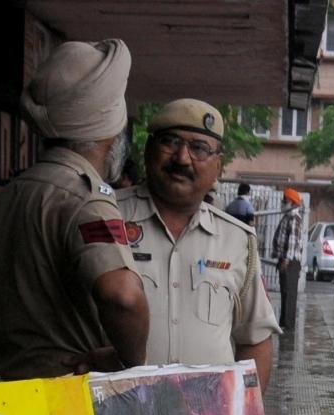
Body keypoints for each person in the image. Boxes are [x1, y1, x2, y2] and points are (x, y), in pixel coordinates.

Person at [0, 40, 149, 381]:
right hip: (68, 389)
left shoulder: (5, 198)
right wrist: (129, 360)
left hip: (11, 388)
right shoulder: (86, 198)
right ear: (112, 133)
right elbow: (123, 297)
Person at [112, 100, 282, 392]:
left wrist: (242, 413)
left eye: (199, 148)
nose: (182, 158)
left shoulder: (237, 240)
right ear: (148, 149)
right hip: (118, 411)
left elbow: (255, 340)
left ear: (218, 165)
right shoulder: (106, 217)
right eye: (170, 142)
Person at [271, 188, 306, 329]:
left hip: (290, 261)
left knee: (289, 293)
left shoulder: (294, 218)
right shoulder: (288, 217)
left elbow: (293, 241)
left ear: (291, 202)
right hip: (286, 260)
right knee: (285, 292)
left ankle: (288, 324)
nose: (282, 203)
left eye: (285, 200)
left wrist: (286, 260)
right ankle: (284, 323)